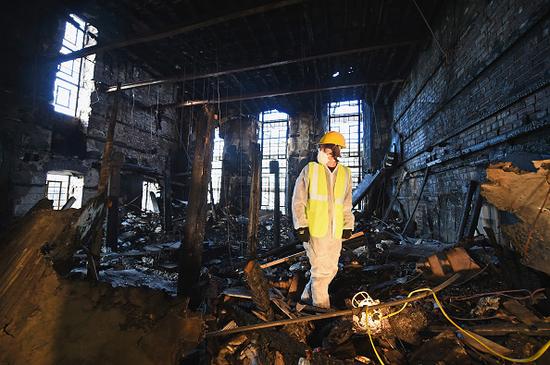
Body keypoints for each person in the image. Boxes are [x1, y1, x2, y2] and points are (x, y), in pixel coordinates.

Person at [291, 131, 354, 309]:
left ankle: (305, 299)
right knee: (320, 272)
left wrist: (348, 224)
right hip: (315, 230)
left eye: (323, 147)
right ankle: (322, 309)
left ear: (334, 150)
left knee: (331, 269)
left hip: (335, 231)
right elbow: (298, 199)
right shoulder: (310, 169)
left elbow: (347, 202)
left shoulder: (345, 173)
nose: (320, 150)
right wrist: (301, 225)